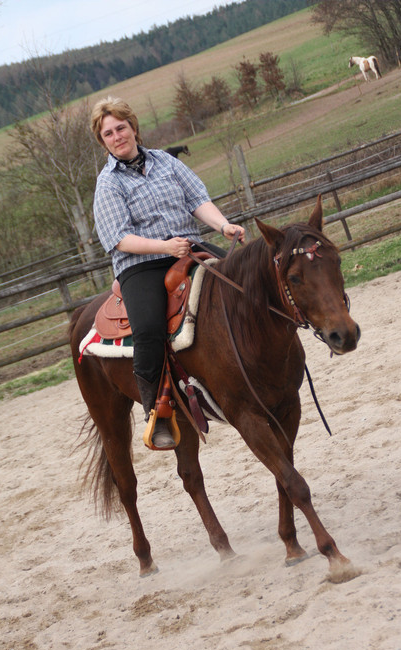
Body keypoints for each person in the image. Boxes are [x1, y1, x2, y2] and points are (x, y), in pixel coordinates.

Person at [90, 96, 245, 449]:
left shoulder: (165, 162)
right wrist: (164, 246)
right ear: (103, 142)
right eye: (109, 133)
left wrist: (223, 226)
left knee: (242, 281)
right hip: (141, 263)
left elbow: (197, 200)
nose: (117, 137)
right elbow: (119, 238)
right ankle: (156, 410)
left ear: (133, 128)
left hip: (188, 248)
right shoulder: (108, 184)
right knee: (148, 329)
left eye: (121, 128)